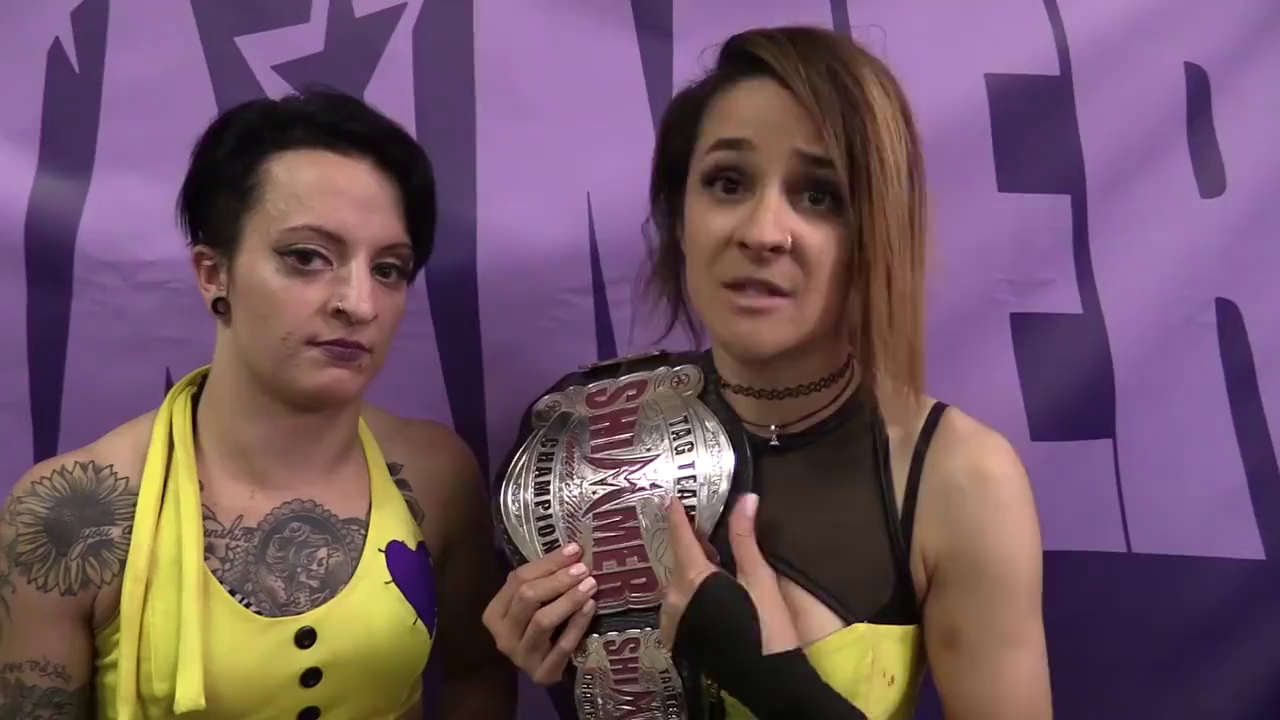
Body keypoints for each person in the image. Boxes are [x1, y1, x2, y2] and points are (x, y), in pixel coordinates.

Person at [485, 25, 1052, 720]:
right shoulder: (589, 434)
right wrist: (561, 658)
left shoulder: (960, 478)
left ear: (877, 231)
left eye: (820, 195)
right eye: (728, 183)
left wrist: (776, 685)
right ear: (680, 216)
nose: (761, 232)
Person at [0, 89, 515, 719]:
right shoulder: (69, 514)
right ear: (213, 273)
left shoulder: (437, 475)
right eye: (307, 257)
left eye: (389, 268)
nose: (359, 304)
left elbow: (476, 674)